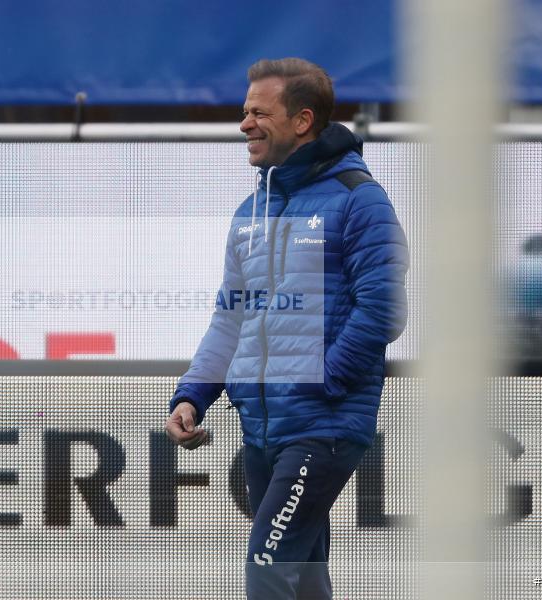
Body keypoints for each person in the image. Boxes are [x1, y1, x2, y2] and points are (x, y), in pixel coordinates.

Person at [164, 58, 409, 600]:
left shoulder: (358, 198)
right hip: (261, 430)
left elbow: (384, 308)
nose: (245, 123)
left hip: (322, 427)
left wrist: (323, 380)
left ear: (302, 121)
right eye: (244, 111)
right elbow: (230, 318)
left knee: (267, 566)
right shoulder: (252, 210)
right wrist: (194, 395)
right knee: (301, 578)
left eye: (259, 112)